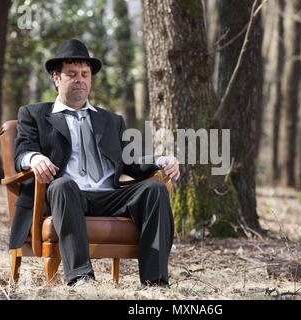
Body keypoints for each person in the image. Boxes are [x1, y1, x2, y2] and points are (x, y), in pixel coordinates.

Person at [10, 38, 179, 287]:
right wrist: (35, 158)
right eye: (72, 74)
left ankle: (156, 282)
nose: (80, 79)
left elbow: (129, 162)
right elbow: (22, 151)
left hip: (109, 196)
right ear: (56, 78)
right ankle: (81, 278)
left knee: (154, 190)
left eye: (84, 74)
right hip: (66, 196)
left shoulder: (111, 120)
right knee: (64, 185)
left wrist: (160, 160)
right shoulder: (34, 114)